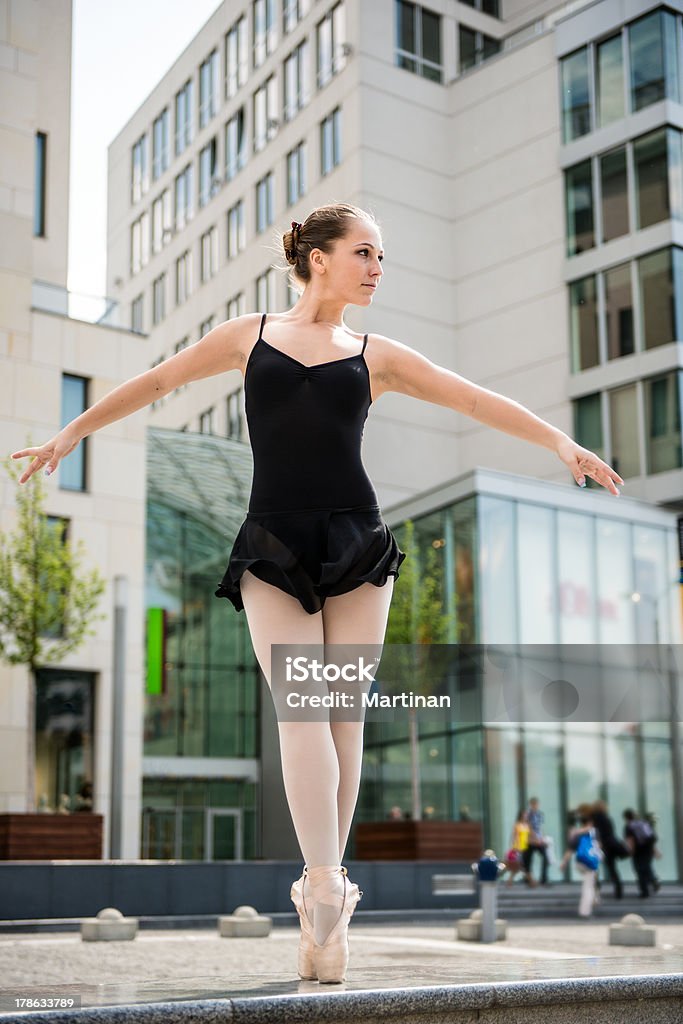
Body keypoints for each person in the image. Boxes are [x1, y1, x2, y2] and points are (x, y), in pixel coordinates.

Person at [10, 202, 623, 983]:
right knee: (307, 708)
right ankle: (327, 888)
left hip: (357, 541)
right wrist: (71, 435)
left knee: (340, 715)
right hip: (271, 542)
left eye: (381, 256)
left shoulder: (376, 353)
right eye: (365, 252)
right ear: (320, 257)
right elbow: (158, 380)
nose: (376, 268)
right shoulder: (249, 334)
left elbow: (470, 398)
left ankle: (323, 894)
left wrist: (561, 444)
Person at [570, 803, 602, 917]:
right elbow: (598, 846)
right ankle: (585, 911)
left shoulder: (576, 832)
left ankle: (594, 898)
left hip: (580, 861)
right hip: (590, 861)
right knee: (588, 886)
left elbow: (571, 847)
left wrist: (564, 862)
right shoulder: (593, 831)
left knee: (590, 883)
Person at [591, 798, 627, 899]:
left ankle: (596, 889)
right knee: (612, 869)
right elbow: (610, 833)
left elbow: (595, 833)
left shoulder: (594, 818)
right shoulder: (606, 818)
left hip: (599, 846)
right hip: (609, 846)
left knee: (594, 868)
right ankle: (619, 889)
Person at [623, 808, 658, 897]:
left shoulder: (629, 826)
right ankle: (653, 880)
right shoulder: (644, 822)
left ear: (626, 817)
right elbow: (651, 838)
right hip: (648, 849)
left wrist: (631, 851)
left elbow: (630, 841)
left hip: (638, 851)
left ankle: (644, 892)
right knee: (646, 867)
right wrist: (655, 851)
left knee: (639, 870)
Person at [504, 809, 536, 887]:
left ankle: (510, 881)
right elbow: (515, 836)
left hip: (526, 847)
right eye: (524, 814)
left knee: (520, 866)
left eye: (526, 815)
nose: (526, 816)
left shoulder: (528, 825)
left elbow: (532, 835)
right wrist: (516, 847)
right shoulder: (517, 825)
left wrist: (534, 840)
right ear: (521, 815)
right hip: (519, 848)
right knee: (521, 865)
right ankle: (532, 882)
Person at [524, 796, 550, 886]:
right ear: (531, 805)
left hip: (539, 840)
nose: (535, 806)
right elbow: (528, 827)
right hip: (530, 841)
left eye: (537, 804)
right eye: (533, 804)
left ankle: (544, 879)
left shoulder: (540, 814)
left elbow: (541, 827)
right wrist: (535, 838)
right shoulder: (528, 814)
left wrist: (542, 838)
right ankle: (529, 880)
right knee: (527, 860)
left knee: (545, 858)